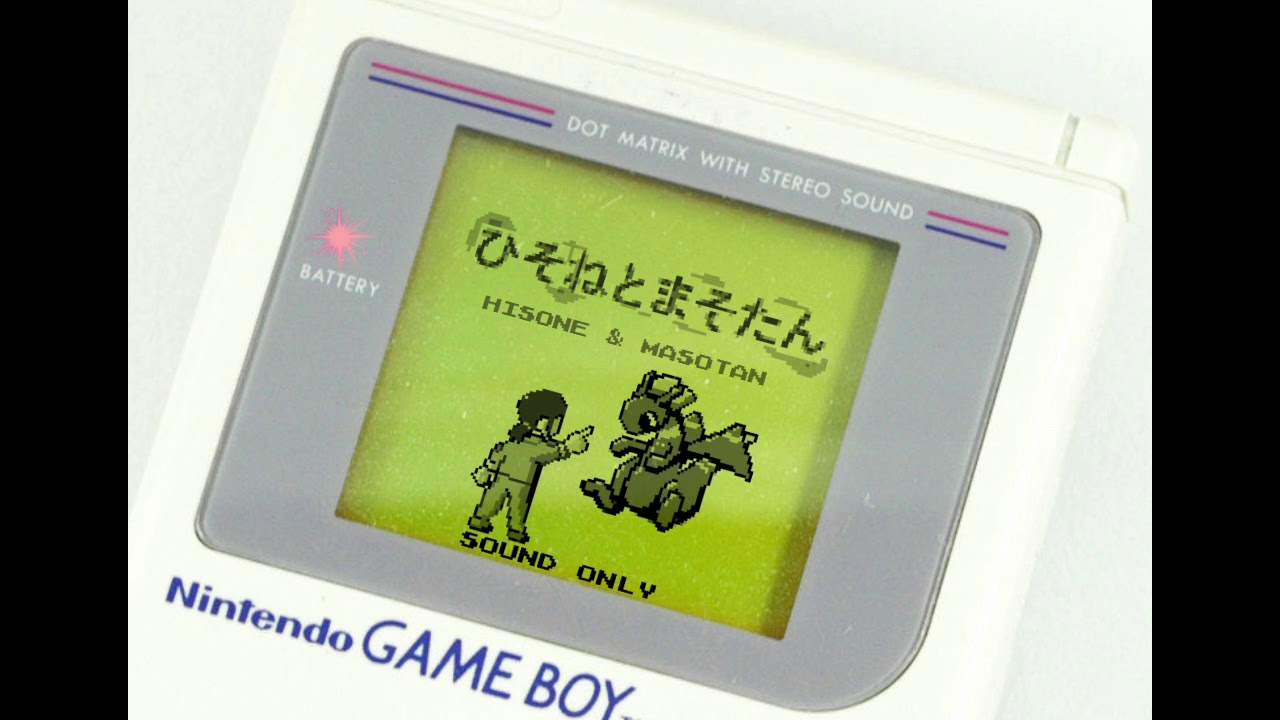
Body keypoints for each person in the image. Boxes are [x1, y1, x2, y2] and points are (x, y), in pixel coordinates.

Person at [468, 389, 593, 543]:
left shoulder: (517, 440)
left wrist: (490, 468)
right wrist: (567, 448)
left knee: (496, 502)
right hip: (521, 483)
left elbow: (499, 452)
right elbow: (547, 453)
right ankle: (513, 529)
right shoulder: (535, 444)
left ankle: (483, 520)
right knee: (516, 508)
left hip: (503, 479)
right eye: (558, 419)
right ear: (545, 421)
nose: (558, 425)